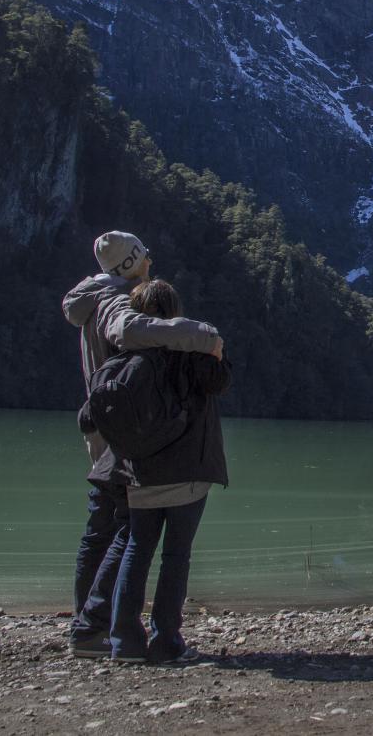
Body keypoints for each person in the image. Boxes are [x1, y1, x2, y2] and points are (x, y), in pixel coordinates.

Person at [62, 231, 222, 659]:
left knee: (108, 532)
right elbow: (131, 330)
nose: (151, 260)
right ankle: (95, 627)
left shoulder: (92, 297)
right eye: (145, 256)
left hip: (109, 425)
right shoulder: (117, 302)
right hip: (128, 434)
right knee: (124, 533)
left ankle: (97, 628)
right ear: (132, 263)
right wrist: (204, 336)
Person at [104, 279, 232, 665]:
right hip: (189, 473)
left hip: (140, 472)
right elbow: (221, 381)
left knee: (136, 549)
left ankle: (123, 641)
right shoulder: (196, 350)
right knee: (176, 556)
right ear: (176, 310)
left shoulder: (124, 357)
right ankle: (165, 640)